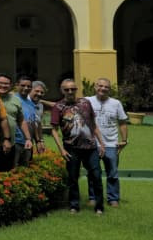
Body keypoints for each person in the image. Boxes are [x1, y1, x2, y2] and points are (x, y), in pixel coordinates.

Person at [52, 80, 106, 215]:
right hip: (71, 148)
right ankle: (74, 206)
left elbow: (93, 124)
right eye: (67, 89)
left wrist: (101, 143)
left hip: (91, 147)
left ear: (76, 89)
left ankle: (99, 207)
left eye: (73, 89)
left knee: (96, 176)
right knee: (73, 177)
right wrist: (61, 149)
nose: (70, 92)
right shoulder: (58, 107)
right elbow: (54, 130)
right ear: (62, 90)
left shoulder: (85, 103)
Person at [91, 77, 128, 208]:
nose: (103, 88)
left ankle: (113, 198)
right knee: (93, 172)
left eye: (106, 87)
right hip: (92, 144)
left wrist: (124, 140)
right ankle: (93, 197)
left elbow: (122, 122)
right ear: (95, 87)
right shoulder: (87, 101)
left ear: (109, 89)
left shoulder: (116, 103)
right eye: (100, 86)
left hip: (111, 144)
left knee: (112, 173)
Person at [0, 73, 29, 172]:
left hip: (9, 144)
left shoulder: (16, 100)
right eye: (1, 83)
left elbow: (21, 120)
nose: (3, 86)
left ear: (11, 85)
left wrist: (28, 139)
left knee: (7, 173)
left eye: (6, 84)